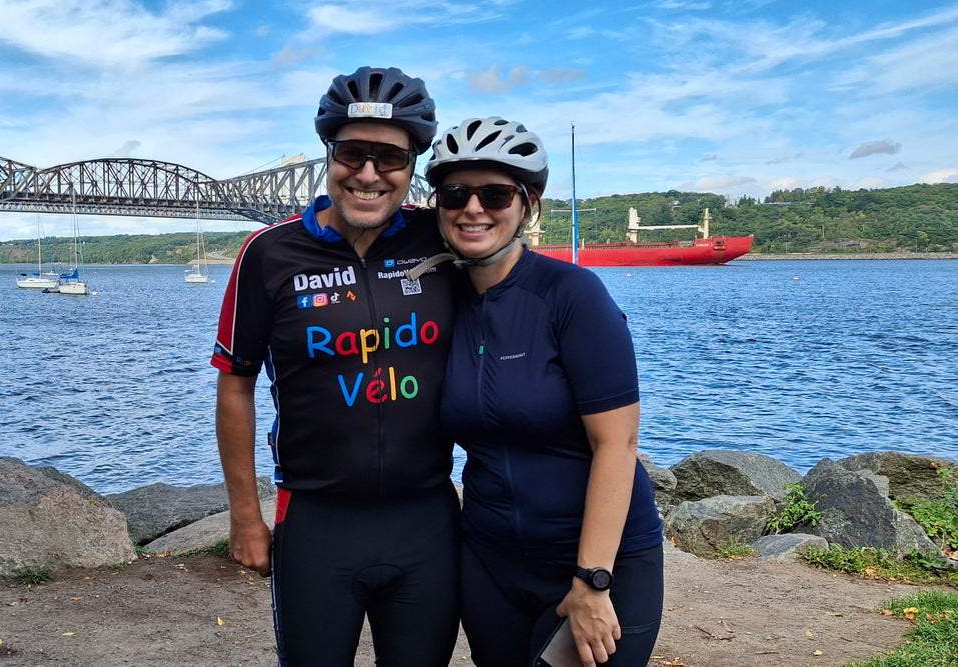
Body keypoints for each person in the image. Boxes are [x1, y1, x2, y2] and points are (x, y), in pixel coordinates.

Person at [211, 66, 460, 666]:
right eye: (352, 153)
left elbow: (520, 300)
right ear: (329, 152)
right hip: (317, 523)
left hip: (426, 518)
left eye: (390, 158)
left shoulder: (442, 243)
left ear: (413, 166)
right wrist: (246, 516)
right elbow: (235, 387)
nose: (369, 174)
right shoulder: (268, 254)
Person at [409, 117, 665, 667]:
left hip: (597, 563)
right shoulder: (443, 302)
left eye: (496, 193)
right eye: (455, 193)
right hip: (491, 564)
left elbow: (617, 446)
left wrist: (593, 580)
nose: (473, 208)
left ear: (528, 204)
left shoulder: (572, 295)